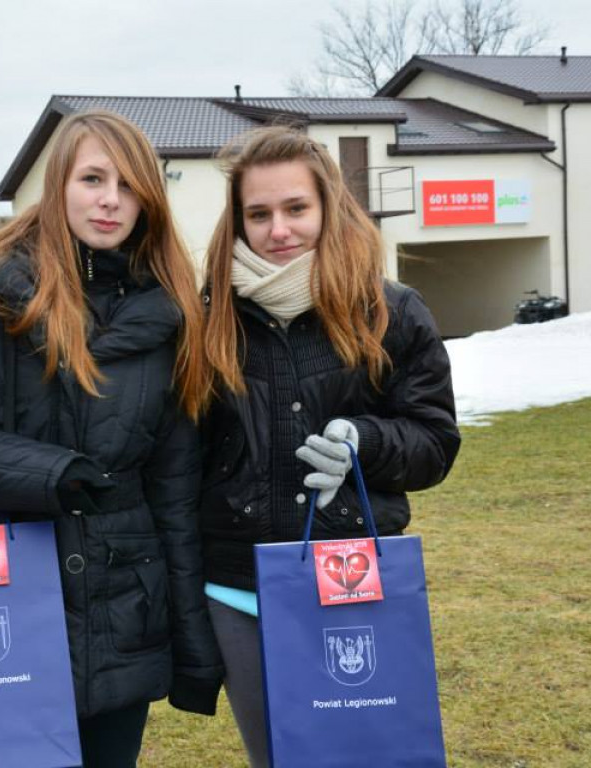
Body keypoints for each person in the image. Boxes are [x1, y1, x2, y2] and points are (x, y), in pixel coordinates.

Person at [0, 110, 223, 767]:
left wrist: (191, 643)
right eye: (93, 178)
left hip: (122, 609)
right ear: (58, 186)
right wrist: (44, 473)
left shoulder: (175, 314)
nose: (110, 199)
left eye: (129, 185)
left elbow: (176, 492)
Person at [197, 126, 461, 766]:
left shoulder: (389, 310)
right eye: (258, 214)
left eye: (296, 208)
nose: (278, 229)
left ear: (328, 208)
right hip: (237, 588)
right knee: (278, 757)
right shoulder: (208, 316)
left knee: (365, 753)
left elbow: (434, 440)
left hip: (350, 578)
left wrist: (364, 442)